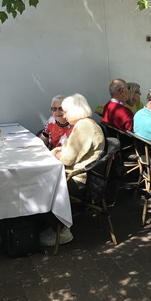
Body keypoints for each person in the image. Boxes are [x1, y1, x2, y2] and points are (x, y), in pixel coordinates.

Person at [44, 93, 105, 246]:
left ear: (74, 110)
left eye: (65, 111)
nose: (64, 115)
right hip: (82, 175)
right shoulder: (85, 124)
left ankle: (62, 231)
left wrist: (56, 152)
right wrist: (60, 151)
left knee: (42, 187)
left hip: (81, 179)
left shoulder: (84, 126)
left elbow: (67, 158)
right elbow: (68, 149)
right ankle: (54, 225)